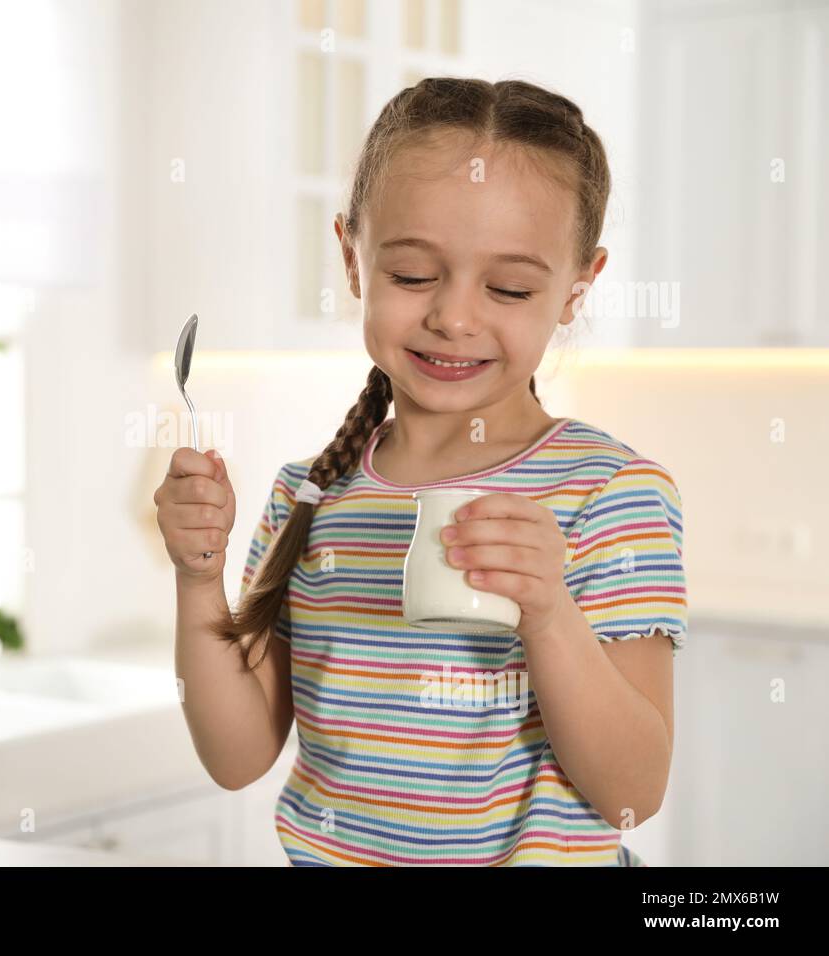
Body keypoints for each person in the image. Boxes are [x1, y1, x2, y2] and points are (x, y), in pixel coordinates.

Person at [153, 78, 685, 866]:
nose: (455, 317)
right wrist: (199, 579)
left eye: (508, 287)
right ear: (351, 257)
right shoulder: (313, 492)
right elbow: (237, 760)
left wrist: (548, 614)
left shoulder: (611, 495)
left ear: (578, 287)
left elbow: (632, 793)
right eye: (411, 275)